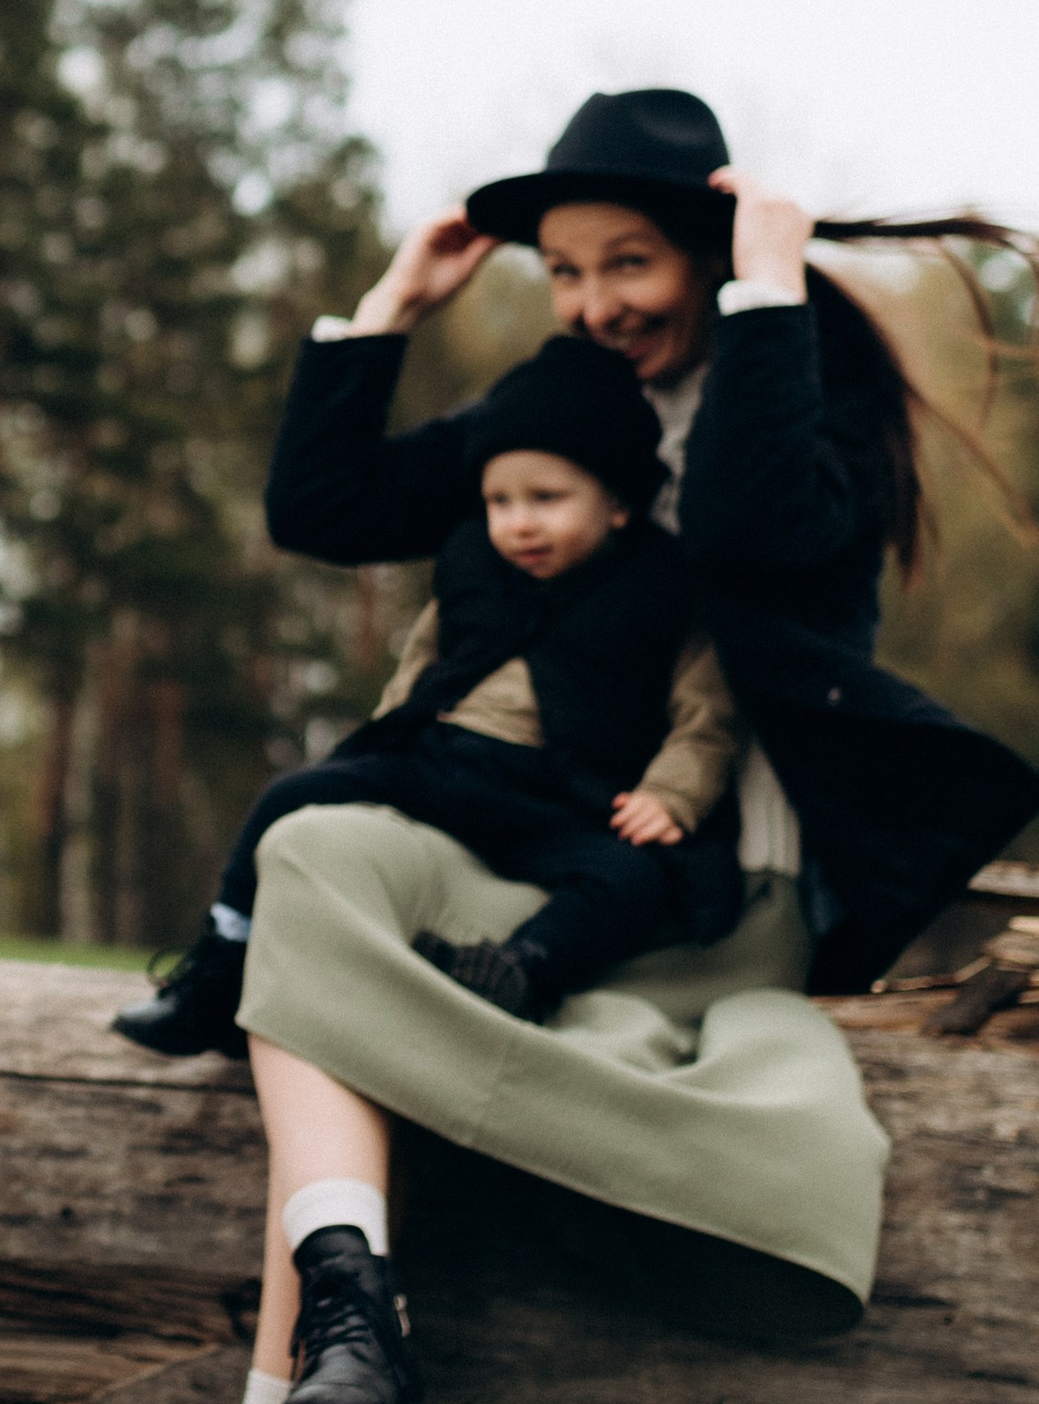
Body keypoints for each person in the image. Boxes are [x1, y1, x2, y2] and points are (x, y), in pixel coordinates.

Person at [71, 86, 1039, 1404]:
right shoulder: (560, 412)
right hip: (501, 828)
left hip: (692, 868)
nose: (595, 306)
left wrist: (770, 290)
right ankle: (351, 1318)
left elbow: (745, 531)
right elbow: (321, 508)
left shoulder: (806, 410)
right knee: (312, 845)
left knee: (316, 975)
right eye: (568, 273)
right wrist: (391, 307)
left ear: (710, 252)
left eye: (629, 264)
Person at [148, 333, 741, 1057]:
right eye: (499, 501)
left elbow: (706, 712)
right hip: (440, 761)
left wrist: (671, 796)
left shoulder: (663, 585)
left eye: (547, 499)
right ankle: (222, 962)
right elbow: (424, 663)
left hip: (560, 794)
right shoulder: (472, 564)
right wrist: (384, 739)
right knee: (289, 797)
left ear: (619, 503)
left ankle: (520, 970)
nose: (519, 522)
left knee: (631, 878)